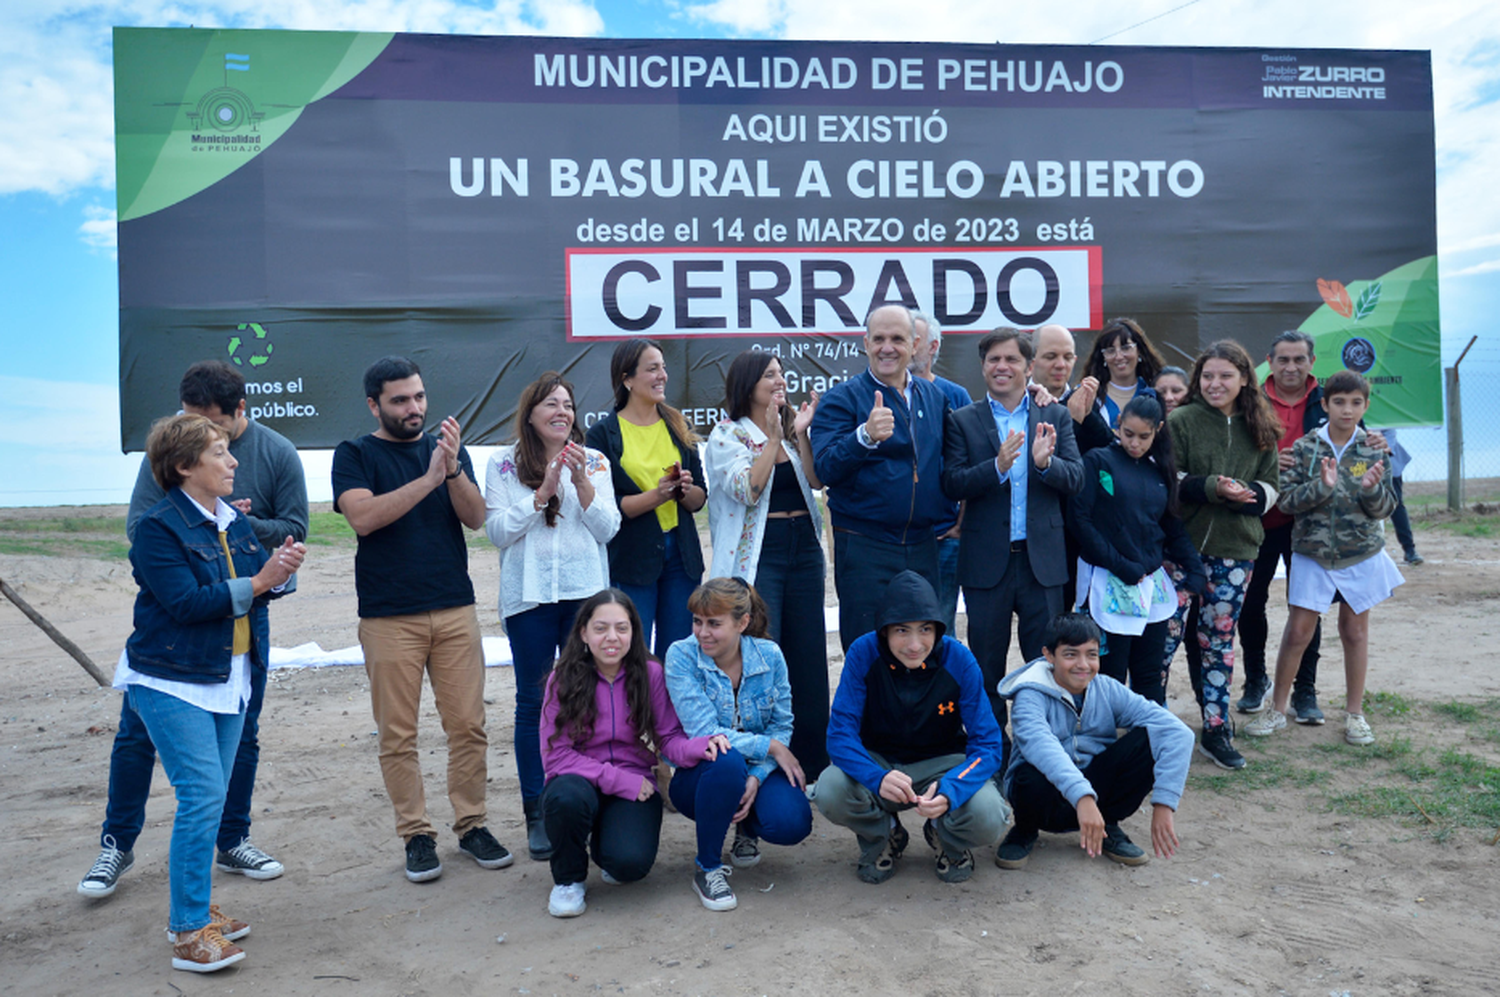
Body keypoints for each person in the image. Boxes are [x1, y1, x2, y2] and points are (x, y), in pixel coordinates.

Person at [81, 361, 308, 900]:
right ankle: (120, 844)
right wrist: (214, 531)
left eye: (218, 433)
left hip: (240, 634)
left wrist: (238, 527)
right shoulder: (174, 472)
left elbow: (291, 532)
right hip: (175, 645)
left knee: (239, 739)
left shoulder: (276, 454)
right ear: (183, 463)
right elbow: (147, 535)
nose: (225, 456)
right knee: (142, 742)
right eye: (188, 421)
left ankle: (232, 841)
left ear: (238, 414)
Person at [113, 414, 305, 971]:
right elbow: (187, 604)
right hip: (171, 680)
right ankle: (188, 932)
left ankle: (193, 905)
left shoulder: (232, 520)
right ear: (183, 467)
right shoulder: (157, 528)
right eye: (219, 453)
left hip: (227, 676)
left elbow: (254, 592)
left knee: (211, 799)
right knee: (200, 798)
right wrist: (261, 580)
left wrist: (280, 573)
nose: (234, 461)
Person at [332, 356, 512, 882]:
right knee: (398, 734)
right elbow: (363, 518)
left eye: (419, 397)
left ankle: (472, 824)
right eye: (400, 400)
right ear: (375, 404)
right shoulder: (355, 454)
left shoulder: (447, 452)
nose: (414, 408)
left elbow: (476, 518)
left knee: (468, 726)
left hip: (454, 607)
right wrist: (428, 477)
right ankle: (416, 835)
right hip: (389, 618)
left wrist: (450, 468)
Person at [484, 372, 620, 861]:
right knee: (533, 700)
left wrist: (581, 481)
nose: (562, 412)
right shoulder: (501, 465)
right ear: (531, 413)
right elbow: (497, 532)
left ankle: (587, 797)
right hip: (530, 599)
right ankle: (537, 810)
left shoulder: (596, 460)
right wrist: (541, 491)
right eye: (551, 405)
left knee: (586, 697)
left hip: (585, 598)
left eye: (568, 404)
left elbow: (608, 529)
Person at [539, 589, 725, 918]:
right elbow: (556, 755)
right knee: (565, 799)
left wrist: (699, 746)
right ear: (583, 632)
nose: (612, 637)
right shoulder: (562, 678)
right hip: (579, 780)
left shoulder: (650, 673)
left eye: (622, 628)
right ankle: (568, 879)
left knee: (629, 866)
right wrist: (617, 780)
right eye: (601, 628)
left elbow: (667, 736)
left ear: (634, 632)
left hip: (633, 782)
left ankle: (604, 842)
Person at [815, 571, 1010, 885]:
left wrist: (952, 789)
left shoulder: (958, 658)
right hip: (879, 761)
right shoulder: (863, 652)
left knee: (987, 815)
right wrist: (876, 777)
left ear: (939, 628)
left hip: (944, 765)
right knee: (830, 788)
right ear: (884, 629)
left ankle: (946, 838)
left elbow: (988, 745)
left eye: (925, 629)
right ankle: (885, 835)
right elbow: (840, 735)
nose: (915, 644)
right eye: (901, 630)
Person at [1245, 371, 1402, 746]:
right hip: (1312, 553)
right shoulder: (1305, 448)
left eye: (1355, 403)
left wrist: (1370, 491)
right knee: (1298, 631)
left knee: (1354, 631)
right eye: (1339, 402)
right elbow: (1286, 501)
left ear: (1365, 405)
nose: (1347, 410)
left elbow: (1385, 509)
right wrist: (1321, 487)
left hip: (1359, 554)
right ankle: (1277, 710)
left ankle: (1355, 714)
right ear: (1326, 403)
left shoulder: (1375, 449)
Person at [942, 327, 1083, 728]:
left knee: (1047, 662)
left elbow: (1076, 479)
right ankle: (994, 752)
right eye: (993, 360)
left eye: (1012, 359)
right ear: (983, 366)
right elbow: (951, 482)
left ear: (1029, 366)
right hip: (987, 564)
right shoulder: (963, 420)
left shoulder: (1053, 413)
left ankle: (1044, 744)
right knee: (986, 663)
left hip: (1044, 563)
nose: (1002, 367)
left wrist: (1045, 465)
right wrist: (996, 468)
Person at [704, 351, 829, 776]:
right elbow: (746, 488)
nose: (779, 381)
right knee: (763, 651)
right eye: (769, 375)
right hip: (762, 556)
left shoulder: (788, 430)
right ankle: (765, 758)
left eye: (781, 374)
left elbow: (814, 482)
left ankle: (813, 761)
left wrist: (801, 435)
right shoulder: (727, 435)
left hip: (805, 552)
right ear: (747, 384)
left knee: (809, 653)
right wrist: (773, 439)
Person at [1164, 341, 1283, 770]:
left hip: (1235, 551)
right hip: (1179, 551)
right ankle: (1153, 728)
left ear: (1245, 379)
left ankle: (1216, 728)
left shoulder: (1262, 427)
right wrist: (1211, 486)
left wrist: (1250, 497)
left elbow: (1272, 485)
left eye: (1225, 376)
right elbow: (1166, 479)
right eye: (1208, 376)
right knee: (1164, 639)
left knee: (1218, 643)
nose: (1215, 384)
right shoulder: (1180, 420)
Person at [995, 613, 1192, 869]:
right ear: (1049, 655)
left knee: (1150, 737)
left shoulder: (1107, 688)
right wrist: (1083, 798)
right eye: (1070, 654)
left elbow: (1178, 733)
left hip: (1096, 795)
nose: (1083, 664)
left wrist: (1165, 803)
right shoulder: (1030, 695)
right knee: (1031, 771)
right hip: (1046, 799)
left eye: (1091, 654)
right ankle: (1024, 831)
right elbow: (1040, 745)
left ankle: (1107, 825)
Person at [664, 579, 814, 911]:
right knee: (725, 759)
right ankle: (708, 866)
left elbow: (782, 723)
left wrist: (758, 776)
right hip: (702, 773)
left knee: (791, 822)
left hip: (755, 769)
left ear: (742, 623)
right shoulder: (680, 656)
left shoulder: (770, 655)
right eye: (697, 621)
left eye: (714, 623)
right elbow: (705, 732)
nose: (702, 632)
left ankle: (747, 827)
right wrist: (772, 749)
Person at [810, 304, 952, 651]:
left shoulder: (934, 396)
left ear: (915, 343)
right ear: (865, 343)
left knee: (923, 651)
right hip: (864, 545)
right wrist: (865, 437)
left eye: (897, 339)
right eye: (879, 339)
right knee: (866, 650)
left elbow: (953, 459)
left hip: (923, 544)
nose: (887, 347)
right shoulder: (840, 399)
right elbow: (826, 469)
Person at [1068, 395, 1206, 704]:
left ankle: (1149, 743)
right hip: (1106, 580)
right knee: (1109, 674)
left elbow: (1170, 524)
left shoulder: (1159, 469)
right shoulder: (1098, 460)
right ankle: (1105, 746)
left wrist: (1193, 566)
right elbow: (1080, 520)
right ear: (1118, 425)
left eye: (1144, 436)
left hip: (1148, 585)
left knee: (1148, 672)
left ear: (1157, 430)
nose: (1135, 443)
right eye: (1128, 433)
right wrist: (1120, 564)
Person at [586, 339, 707, 657]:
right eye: (652, 369)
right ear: (627, 379)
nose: (662, 375)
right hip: (631, 559)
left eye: (663, 368)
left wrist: (682, 489)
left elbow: (699, 499)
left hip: (682, 558)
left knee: (678, 654)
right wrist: (658, 495)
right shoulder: (603, 435)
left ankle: (669, 710)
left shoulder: (678, 425)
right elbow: (608, 508)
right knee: (633, 655)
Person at [1235, 331, 1328, 722]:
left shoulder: (1327, 400)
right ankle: (1256, 680)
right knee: (1250, 603)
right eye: (1283, 360)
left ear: (1312, 362)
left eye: (1299, 359)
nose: (1291, 367)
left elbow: (1350, 436)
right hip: (1258, 520)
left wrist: (1371, 441)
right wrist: (1272, 459)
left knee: (1306, 608)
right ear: (1269, 362)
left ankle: (1305, 691)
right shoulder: (1249, 400)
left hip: (1306, 524)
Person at [911, 312, 973, 633]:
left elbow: (967, 465)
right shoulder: (882, 395)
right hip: (899, 539)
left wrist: (960, 526)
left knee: (941, 624)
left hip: (945, 537)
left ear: (933, 346)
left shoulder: (956, 396)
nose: (907, 345)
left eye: (915, 339)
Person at [1079, 317, 1165, 431]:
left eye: (1126, 348)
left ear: (1138, 351)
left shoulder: (1155, 392)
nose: (1119, 357)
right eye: (1110, 350)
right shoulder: (1088, 393)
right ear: (1103, 356)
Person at [1378, 427, 1424, 565]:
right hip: (1356, 462)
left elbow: (1389, 431)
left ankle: (1409, 549)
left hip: (1387, 461)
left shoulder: (1384, 413)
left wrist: (1384, 446)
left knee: (1396, 504)